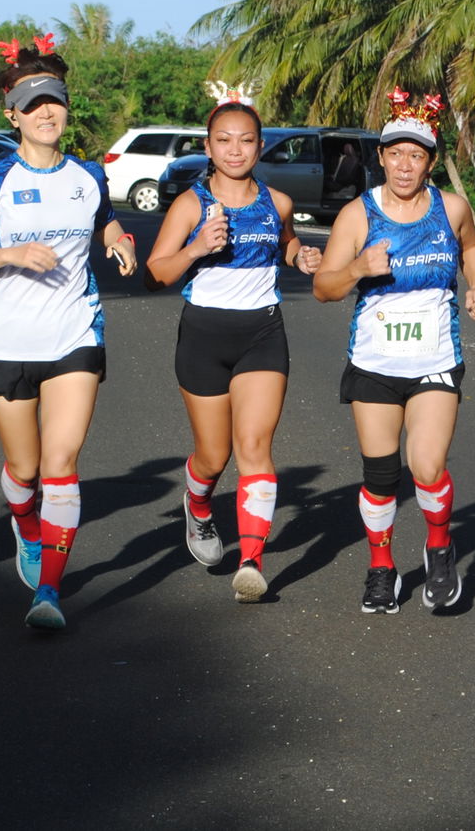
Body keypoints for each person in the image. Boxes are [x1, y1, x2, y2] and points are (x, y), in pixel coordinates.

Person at [0, 35, 137, 631]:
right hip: (7, 339)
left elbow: (104, 220)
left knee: (60, 463)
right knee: (23, 470)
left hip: (75, 332)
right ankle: (25, 524)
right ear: (13, 116)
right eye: (34, 105)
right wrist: (10, 254)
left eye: (55, 100)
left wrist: (118, 241)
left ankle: (49, 591)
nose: (47, 112)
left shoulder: (87, 176)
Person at [313, 88, 475, 615]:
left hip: (435, 360)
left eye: (416, 155)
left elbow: (473, 245)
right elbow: (324, 288)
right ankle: (381, 568)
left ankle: (439, 548)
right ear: (381, 158)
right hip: (374, 363)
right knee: (381, 474)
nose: (405, 165)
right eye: (395, 153)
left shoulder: (450, 208)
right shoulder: (358, 215)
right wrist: (357, 270)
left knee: (428, 466)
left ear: (430, 162)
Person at [144, 81, 322, 602]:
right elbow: (155, 274)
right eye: (224, 140)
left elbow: (288, 246)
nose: (236, 150)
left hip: (262, 332)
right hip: (203, 334)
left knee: (254, 448)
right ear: (208, 147)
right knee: (213, 455)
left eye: (246, 140)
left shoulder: (279, 201)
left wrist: (301, 258)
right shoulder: (190, 205)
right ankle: (198, 505)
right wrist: (198, 247)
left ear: (260, 145)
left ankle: (251, 560)